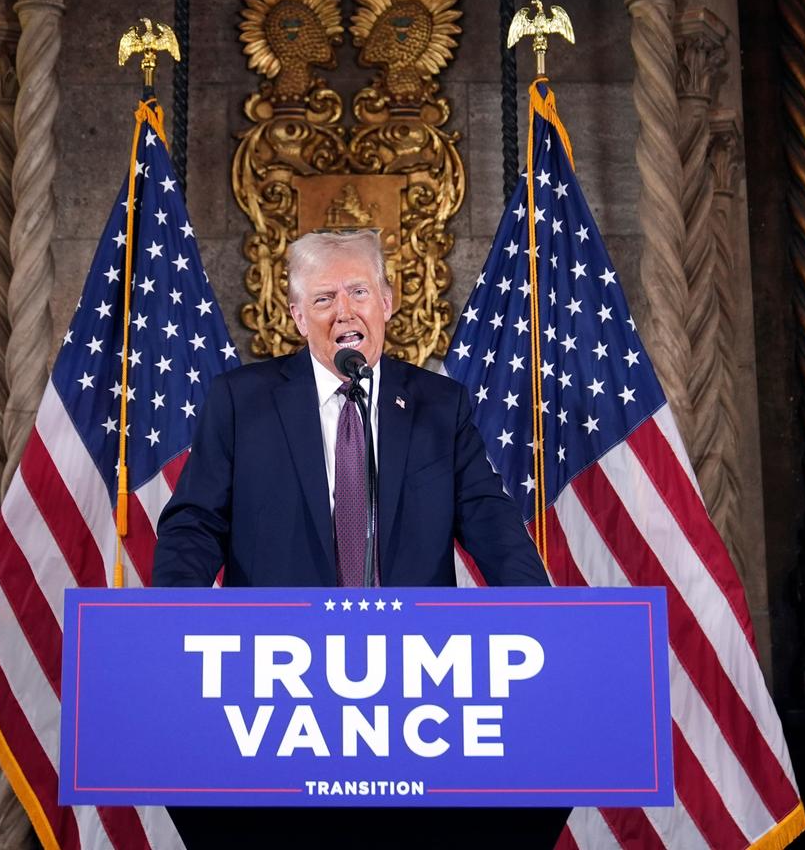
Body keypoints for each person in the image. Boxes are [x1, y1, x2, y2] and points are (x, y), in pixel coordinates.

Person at [153, 228, 561, 849]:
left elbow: (495, 526)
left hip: (415, 702)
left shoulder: (437, 406)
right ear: (295, 316)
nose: (344, 311)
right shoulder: (242, 403)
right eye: (323, 299)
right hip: (278, 700)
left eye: (358, 292)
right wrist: (171, 625)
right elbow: (194, 524)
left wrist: (547, 627)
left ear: (388, 301)